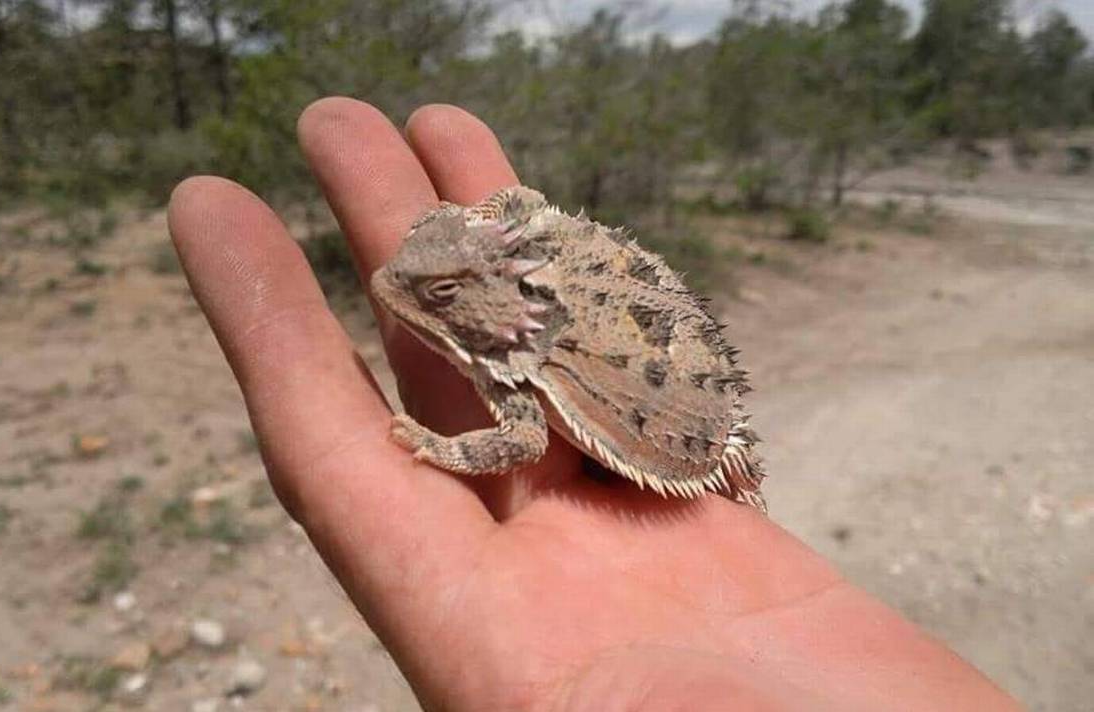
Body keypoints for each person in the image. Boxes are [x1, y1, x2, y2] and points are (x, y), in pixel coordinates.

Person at [166, 98, 1023, 711]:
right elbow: (522, 205)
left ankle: (741, 512)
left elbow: (519, 439)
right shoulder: (523, 240)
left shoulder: (526, 351)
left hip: (694, 426)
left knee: (734, 490)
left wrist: (440, 447)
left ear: (494, 302)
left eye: (446, 291)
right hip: (641, 341)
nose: (408, 292)